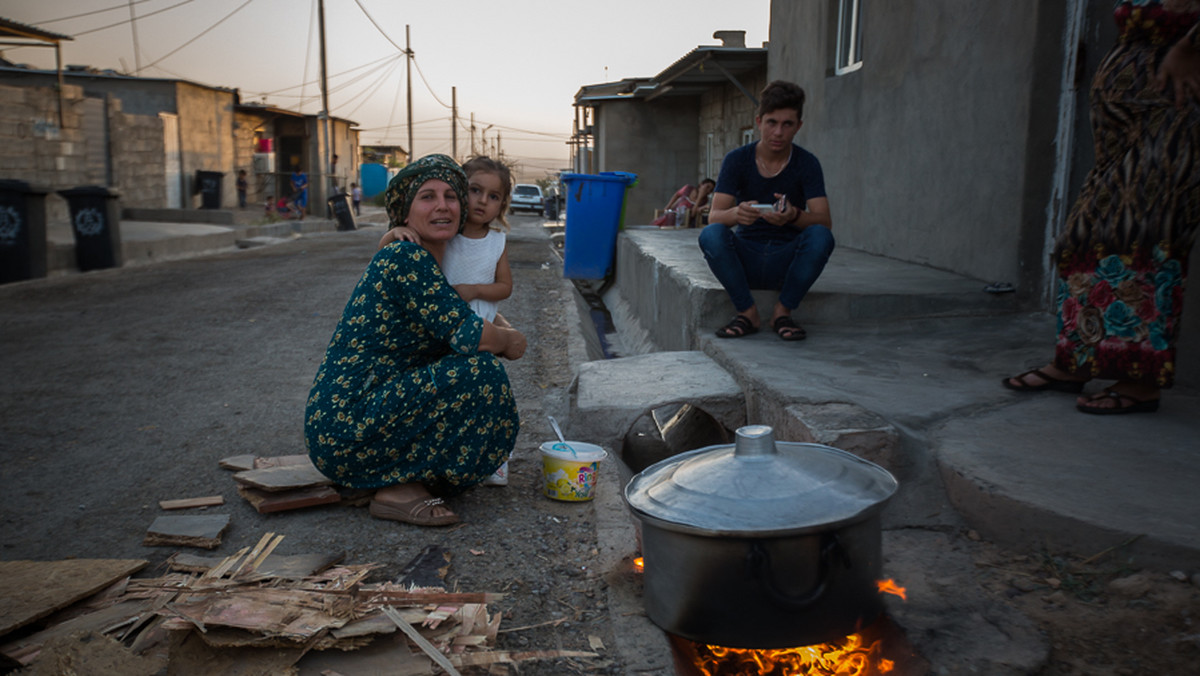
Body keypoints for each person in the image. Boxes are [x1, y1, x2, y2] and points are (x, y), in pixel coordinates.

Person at [304, 154, 527, 526]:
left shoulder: (431, 260)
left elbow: (461, 314)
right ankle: (396, 488)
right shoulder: (407, 257)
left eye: (451, 196)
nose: (442, 205)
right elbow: (471, 335)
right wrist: (511, 340)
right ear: (405, 214)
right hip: (346, 428)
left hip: (363, 420)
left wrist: (498, 327)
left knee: (465, 371)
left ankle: (393, 474)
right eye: (427, 197)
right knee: (479, 373)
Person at [1003, 1, 1199, 415]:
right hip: (1125, 121)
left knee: (1146, 236)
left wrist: (1190, 45)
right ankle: (1075, 360)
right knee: (1085, 236)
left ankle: (1140, 382)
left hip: (1172, 111)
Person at [377, 156, 516, 486]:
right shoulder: (442, 234)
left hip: (478, 328)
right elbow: (389, 261)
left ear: (502, 204)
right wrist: (392, 234)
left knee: (487, 392)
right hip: (440, 335)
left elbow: (505, 287)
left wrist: (473, 291)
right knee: (445, 399)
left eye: (493, 196)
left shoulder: (496, 242)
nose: (482, 201)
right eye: (474, 190)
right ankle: (438, 459)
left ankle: (491, 458)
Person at [698, 80, 835, 341]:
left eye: (787, 124)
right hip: (746, 256)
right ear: (759, 121)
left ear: (799, 127)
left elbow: (824, 221)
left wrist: (793, 215)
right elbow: (714, 216)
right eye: (772, 122)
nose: (778, 132)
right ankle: (747, 313)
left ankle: (782, 313)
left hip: (787, 260)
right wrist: (737, 213)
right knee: (711, 234)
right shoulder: (737, 160)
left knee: (821, 237)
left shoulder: (807, 163)